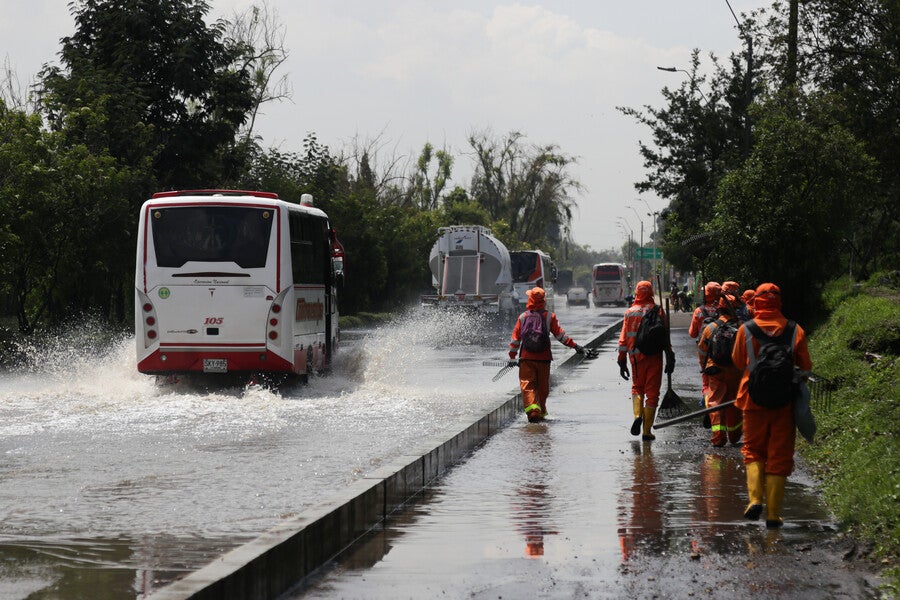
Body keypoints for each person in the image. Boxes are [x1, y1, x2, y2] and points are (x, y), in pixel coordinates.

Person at [731, 283, 812, 528]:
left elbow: (737, 361)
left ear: (756, 303)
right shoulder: (795, 329)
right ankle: (774, 515)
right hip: (783, 403)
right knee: (779, 455)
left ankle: (755, 500)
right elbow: (806, 367)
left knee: (753, 450)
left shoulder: (746, 329)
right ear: (779, 302)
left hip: (752, 398)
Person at [508, 287, 589, 422]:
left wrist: (512, 356)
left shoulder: (523, 317)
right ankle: (541, 410)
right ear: (543, 300)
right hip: (544, 359)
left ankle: (533, 412)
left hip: (526, 359)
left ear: (530, 299)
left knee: (528, 386)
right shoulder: (549, 316)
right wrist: (575, 346)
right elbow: (560, 336)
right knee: (542, 387)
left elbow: (515, 339)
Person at [616, 280, 675, 441]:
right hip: (654, 356)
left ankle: (637, 416)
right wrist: (670, 355)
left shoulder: (629, 312)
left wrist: (621, 360)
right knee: (652, 394)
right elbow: (665, 336)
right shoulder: (659, 311)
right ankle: (647, 431)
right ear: (651, 292)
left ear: (637, 292)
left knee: (637, 388)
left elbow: (623, 339)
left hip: (635, 357)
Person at [697, 292, 743, 447]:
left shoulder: (710, 328)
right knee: (735, 403)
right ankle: (735, 436)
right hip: (736, 371)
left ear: (719, 309)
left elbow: (702, 350)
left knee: (716, 402)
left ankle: (718, 437)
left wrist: (704, 367)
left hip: (715, 370)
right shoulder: (741, 328)